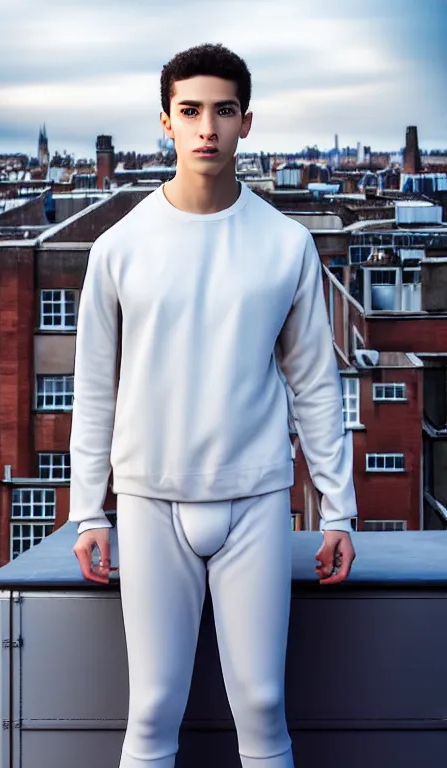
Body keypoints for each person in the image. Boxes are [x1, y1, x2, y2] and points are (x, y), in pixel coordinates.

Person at [69, 43, 357, 768]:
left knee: (262, 706)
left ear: (246, 122)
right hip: (147, 500)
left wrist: (338, 509)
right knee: (153, 708)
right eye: (190, 111)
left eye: (222, 110)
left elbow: (315, 383)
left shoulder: (287, 245)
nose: (207, 128)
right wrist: (87, 511)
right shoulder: (119, 247)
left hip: (255, 499)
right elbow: (95, 386)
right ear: (165, 122)